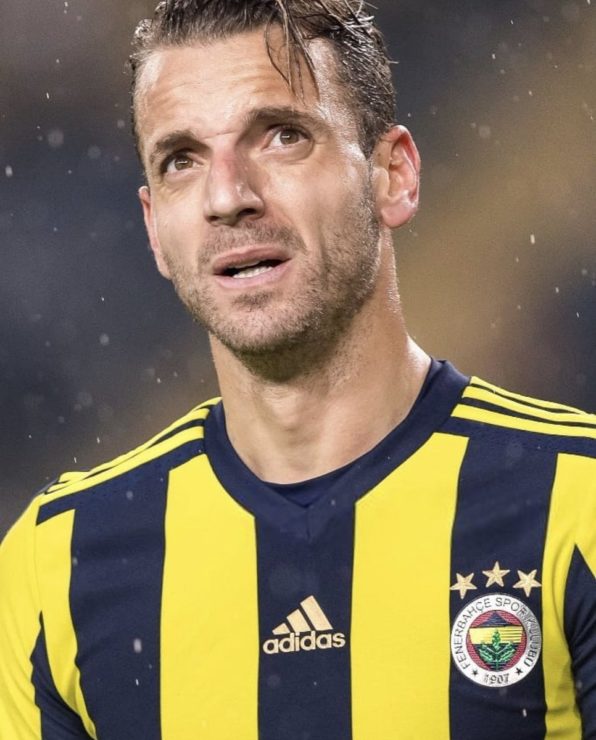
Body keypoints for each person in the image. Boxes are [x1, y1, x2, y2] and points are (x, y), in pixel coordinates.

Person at [0, 0, 594, 737]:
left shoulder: (578, 502)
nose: (227, 197)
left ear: (394, 176)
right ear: (154, 229)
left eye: (283, 136)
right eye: (182, 160)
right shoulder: (58, 561)